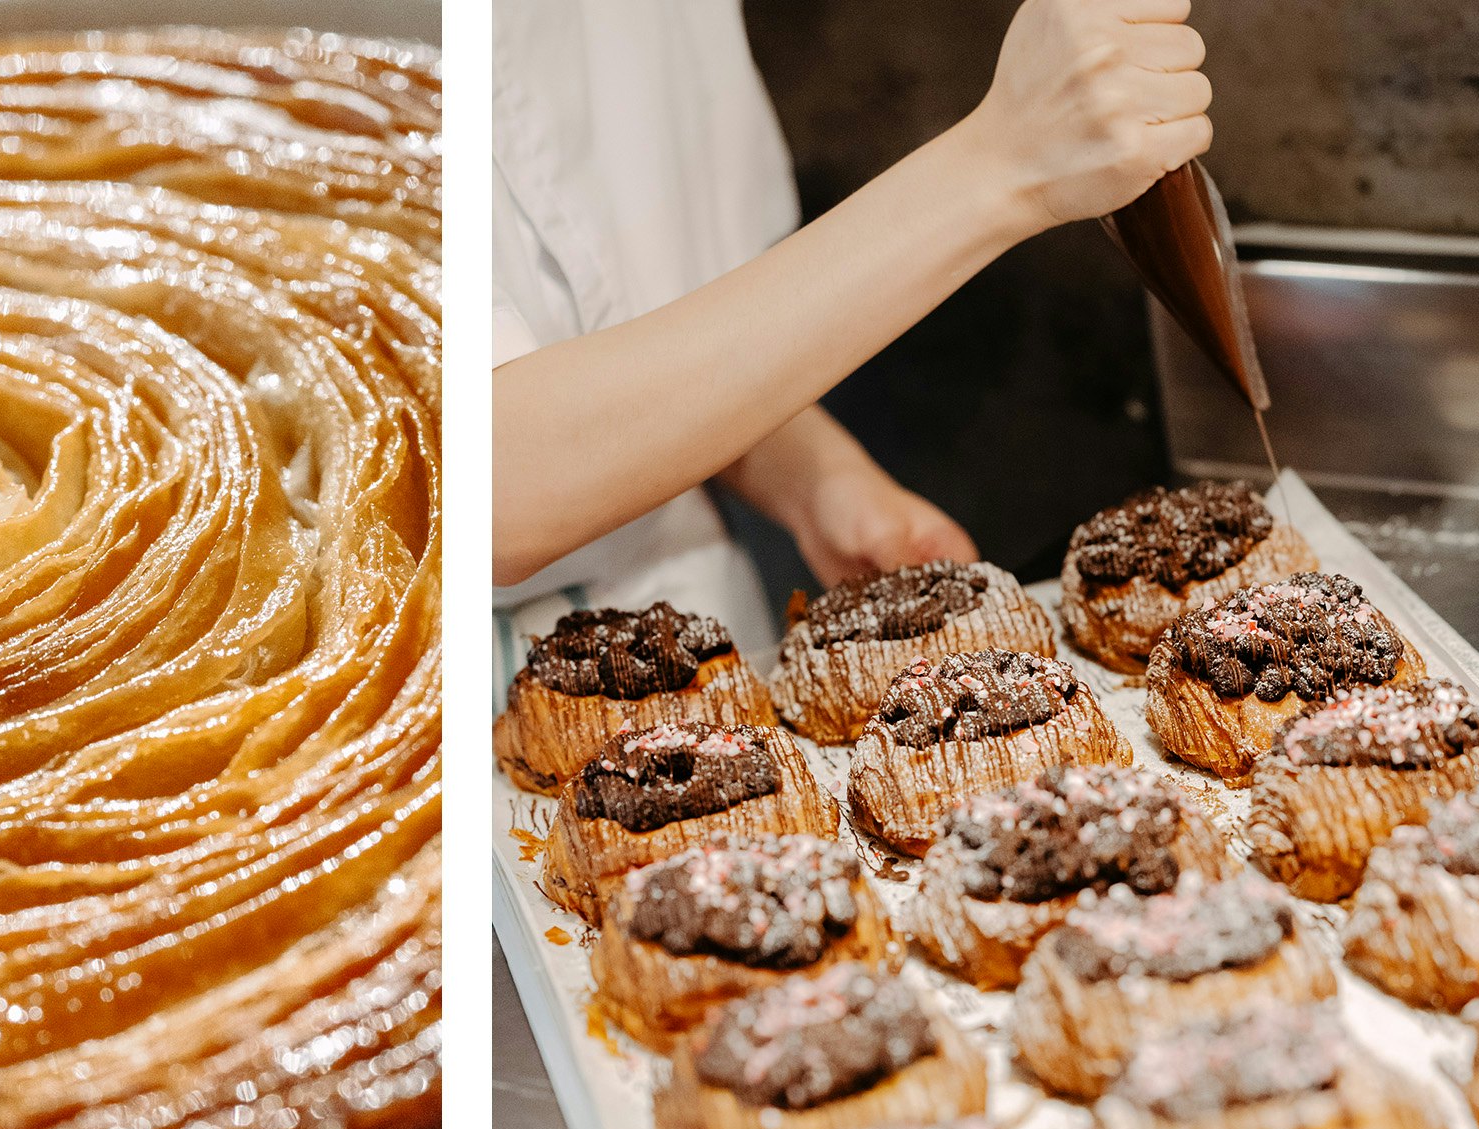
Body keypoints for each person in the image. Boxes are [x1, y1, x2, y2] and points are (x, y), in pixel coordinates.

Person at [492, 0, 1212, 652]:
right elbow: (489, 482)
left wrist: (818, 480)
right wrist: (1002, 164)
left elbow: (669, 306)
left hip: (697, 639)